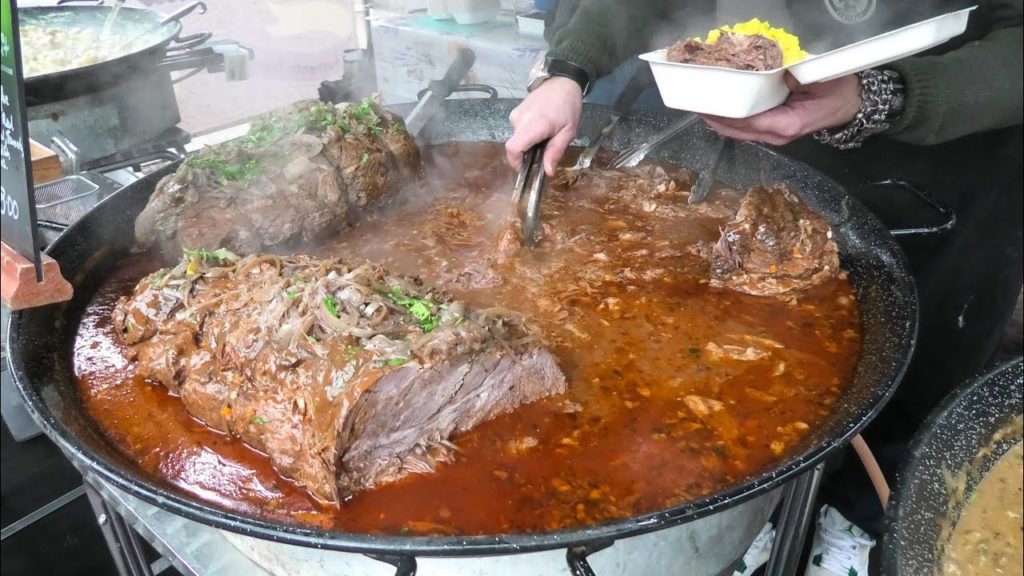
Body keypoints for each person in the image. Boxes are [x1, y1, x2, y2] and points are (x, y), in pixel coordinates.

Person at [508, 0, 1023, 573]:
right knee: (760, 347)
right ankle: (760, 511)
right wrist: (568, 71)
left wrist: (879, 96)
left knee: (916, 361)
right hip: (777, 127)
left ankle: (856, 522)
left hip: (959, 150)